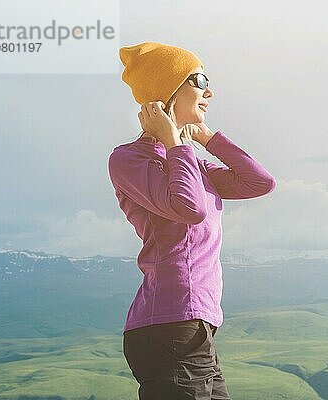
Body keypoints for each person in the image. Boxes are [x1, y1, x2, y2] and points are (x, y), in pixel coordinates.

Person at [107, 42, 277, 399]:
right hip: (169, 326)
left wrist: (207, 137)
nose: (209, 91)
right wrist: (173, 140)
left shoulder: (192, 164)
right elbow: (189, 208)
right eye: (199, 80)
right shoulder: (130, 160)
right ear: (168, 91)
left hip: (193, 328)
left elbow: (260, 182)